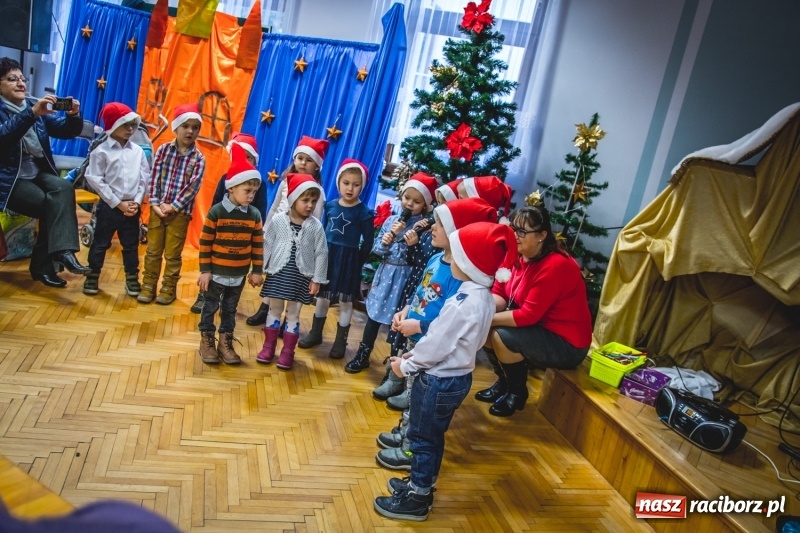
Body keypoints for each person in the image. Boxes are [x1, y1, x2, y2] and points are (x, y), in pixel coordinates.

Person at [373, 222, 517, 522]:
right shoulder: (482, 297)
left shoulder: (463, 303)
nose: (450, 259)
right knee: (432, 437)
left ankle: (418, 497)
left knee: (423, 438)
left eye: (457, 255)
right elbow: (458, 341)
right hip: (455, 376)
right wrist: (419, 355)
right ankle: (417, 485)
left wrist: (406, 365)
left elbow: (437, 342)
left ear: (468, 263)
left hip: (438, 380)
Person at [374, 198, 499, 472]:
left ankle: (410, 446)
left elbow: (449, 326)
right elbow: (421, 292)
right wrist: (406, 311)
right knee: (413, 399)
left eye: (440, 223)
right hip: (418, 344)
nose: (432, 226)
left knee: (419, 404)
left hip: (430, 351)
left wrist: (418, 328)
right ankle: (406, 433)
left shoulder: (462, 279)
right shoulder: (434, 258)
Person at [478, 204, 592, 417]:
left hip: (565, 342)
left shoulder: (556, 265)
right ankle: (503, 383)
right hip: (536, 329)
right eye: (512, 229)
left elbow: (528, 315)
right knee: (486, 328)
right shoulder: (516, 254)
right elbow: (500, 294)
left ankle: (517, 393)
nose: (515, 235)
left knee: (501, 336)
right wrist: (480, 312)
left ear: (541, 235)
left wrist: (487, 318)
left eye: (522, 231)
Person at [0, 56, 90, 287]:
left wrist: (73, 115)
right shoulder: (31, 109)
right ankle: (50, 262)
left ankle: (60, 254)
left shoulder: (32, 105)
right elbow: (4, 137)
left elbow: (64, 131)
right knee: (49, 205)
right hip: (9, 179)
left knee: (63, 187)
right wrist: (32, 113)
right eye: (12, 79)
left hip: (36, 172)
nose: (21, 83)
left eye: (22, 79)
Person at [344, 173, 437, 374]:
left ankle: (395, 365)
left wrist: (413, 245)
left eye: (417, 201)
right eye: (406, 198)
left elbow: (420, 260)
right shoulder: (391, 221)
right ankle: (363, 354)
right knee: (374, 316)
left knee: (400, 322)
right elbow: (377, 251)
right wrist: (388, 239)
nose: (410, 204)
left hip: (406, 279)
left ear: (426, 205)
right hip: (386, 275)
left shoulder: (425, 228)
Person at [246, 135, 328, 327]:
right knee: (275, 275)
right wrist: (266, 231)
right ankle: (265, 310)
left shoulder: (317, 191)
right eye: (300, 158)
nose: (303, 163)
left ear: (317, 166)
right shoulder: (285, 183)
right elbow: (274, 208)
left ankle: (288, 322)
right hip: (279, 236)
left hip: (299, 241)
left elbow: (315, 220)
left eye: (309, 160)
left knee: (291, 280)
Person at [298, 159, 374, 358]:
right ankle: (315, 333)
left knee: (345, 302)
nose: (350, 188)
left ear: (362, 186)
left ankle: (340, 341)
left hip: (349, 261)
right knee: (322, 297)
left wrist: (358, 261)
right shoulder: (330, 206)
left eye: (356, 184)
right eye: (346, 183)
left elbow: (368, 241)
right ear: (338, 182)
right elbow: (321, 232)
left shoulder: (364, 213)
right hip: (328, 257)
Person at [197, 144, 264, 365]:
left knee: (230, 309)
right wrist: (205, 271)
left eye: (254, 191)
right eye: (247, 191)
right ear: (232, 188)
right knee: (210, 306)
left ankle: (225, 343)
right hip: (215, 274)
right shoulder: (217, 212)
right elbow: (205, 243)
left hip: (238, 275)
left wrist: (257, 271)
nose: (252, 196)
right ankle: (206, 340)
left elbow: (257, 244)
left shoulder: (254, 215)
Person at [255, 173, 328, 370]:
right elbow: (267, 245)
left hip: (300, 278)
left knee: (293, 314)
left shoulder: (315, 226)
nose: (310, 205)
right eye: (305, 200)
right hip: (278, 274)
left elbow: (322, 253)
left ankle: (288, 351)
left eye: (314, 201)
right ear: (293, 198)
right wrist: (259, 270)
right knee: (274, 310)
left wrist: (317, 279)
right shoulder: (278, 220)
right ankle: (268, 346)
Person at [138, 103, 205, 305]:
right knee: (153, 250)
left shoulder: (198, 158)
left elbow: (193, 187)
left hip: (179, 213)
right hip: (158, 209)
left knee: (173, 254)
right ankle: (148, 284)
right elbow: (154, 177)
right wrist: (156, 204)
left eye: (195, 127)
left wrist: (174, 206)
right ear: (176, 128)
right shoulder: (163, 150)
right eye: (186, 126)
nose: (190, 131)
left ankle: (169, 287)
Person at [191, 132, 264, 314]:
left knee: (234, 273)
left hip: (242, 236)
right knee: (214, 267)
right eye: (242, 157)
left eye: (249, 157)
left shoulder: (258, 184)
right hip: (222, 234)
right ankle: (204, 295)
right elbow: (215, 205)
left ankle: (228, 301)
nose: (246, 161)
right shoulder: (226, 179)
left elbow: (260, 210)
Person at [82, 102, 149, 297]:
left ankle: (131, 278)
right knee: (100, 243)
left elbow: (144, 177)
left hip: (131, 208)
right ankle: (92, 275)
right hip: (109, 207)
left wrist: (136, 201)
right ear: (112, 126)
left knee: (131, 246)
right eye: (125, 124)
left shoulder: (137, 151)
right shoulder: (101, 151)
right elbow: (94, 178)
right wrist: (117, 203)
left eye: (132, 125)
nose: (130, 129)